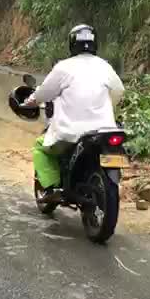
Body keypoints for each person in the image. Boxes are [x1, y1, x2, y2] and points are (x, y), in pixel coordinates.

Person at [23, 24, 125, 197]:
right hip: (104, 130)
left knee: (40, 148)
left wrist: (29, 102)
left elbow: (43, 93)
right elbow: (119, 91)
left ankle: (51, 189)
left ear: (72, 44)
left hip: (70, 133)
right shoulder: (104, 66)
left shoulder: (63, 67)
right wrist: (109, 109)